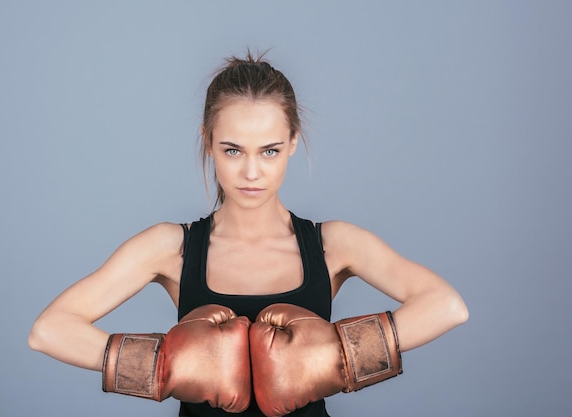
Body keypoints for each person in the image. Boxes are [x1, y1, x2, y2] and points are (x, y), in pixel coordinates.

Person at [28, 51, 469, 417]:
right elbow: (49, 330)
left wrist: (338, 358)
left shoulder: (333, 244)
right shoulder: (171, 248)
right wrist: (162, 367)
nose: (252, 172)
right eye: (233, 149)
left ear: (293, 142)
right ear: (208, 141)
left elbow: (446, 306)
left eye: (270, 150)